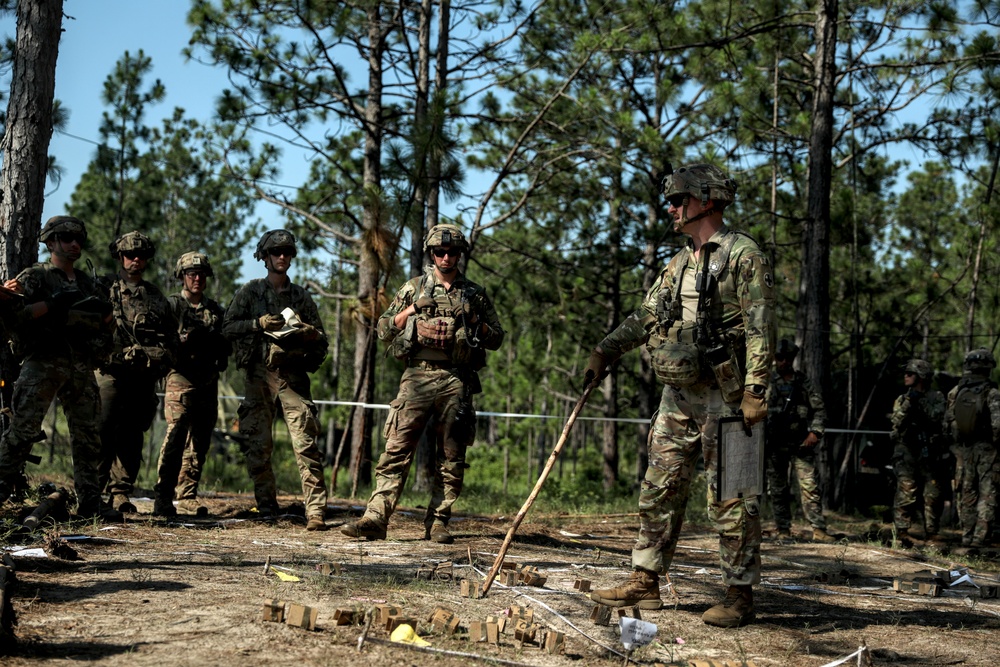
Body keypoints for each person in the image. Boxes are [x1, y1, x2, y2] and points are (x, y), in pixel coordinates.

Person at [583, 163, 775, 629]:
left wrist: (756, 390)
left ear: (706, 201)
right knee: (659, 487)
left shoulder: (742, 255)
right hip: (679, 396)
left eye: (678, 200)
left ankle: (738, 594)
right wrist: (605, 350)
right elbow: (648, 314)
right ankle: (645, 580)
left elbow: (760, 326)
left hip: (729, 396)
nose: (671, 208)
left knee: (733, 497)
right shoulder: (680, 263)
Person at [340, 224, 505, 544]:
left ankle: (439, 520)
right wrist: (413, 309)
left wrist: (473, 320)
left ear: (461, 254)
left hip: (456, 378)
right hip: (417, 376)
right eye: (440, 252)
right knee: (396, 448)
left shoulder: (474, 294)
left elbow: (497, 338)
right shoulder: (413, 288)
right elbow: (384, 328)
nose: (446, 257)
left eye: (453, 252)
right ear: (431, 253)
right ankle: (375, 517)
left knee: (452, 453)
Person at [0, 216, 119, 520]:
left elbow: (104, 330)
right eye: (66, 238)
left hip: (80, 365)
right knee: (23, 431)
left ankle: (91, 502)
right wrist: (52, 304)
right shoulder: (35, 278)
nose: (75, 243)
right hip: (42, 363)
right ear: (50, 242)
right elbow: (14, 319)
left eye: (79, 239)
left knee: (88, 437)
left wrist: (106, 318)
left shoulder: (87, 283)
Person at [223, 229, 329, 531]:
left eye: (287, 252)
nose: (282, 257)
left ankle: (316, 512)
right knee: (259, 444)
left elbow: (322, 339)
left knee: (306, 444)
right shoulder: (250, 292)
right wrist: (257, 324)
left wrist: (308, 334)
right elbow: (227, 327)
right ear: (265, 257)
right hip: (259, 376)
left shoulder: (301, 297)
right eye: (276, 252)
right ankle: (267, 507)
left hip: (293, 377)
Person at [98, 231, 179, 514]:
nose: (135, 260)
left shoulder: (156, 298)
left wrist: (153, 356)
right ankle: (92, 491)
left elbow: (171, 341)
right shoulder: (103, 289)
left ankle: (120, 492)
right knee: (102, 429)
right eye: (130, 255)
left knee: (132, 435)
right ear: (120, 257)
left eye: (141, 256)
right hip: (108, 372)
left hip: (142, 378)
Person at [151, 252, 230, 517]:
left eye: (201, 274)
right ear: (182, 277)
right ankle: (163, 496)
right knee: (175, 437)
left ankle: (187, 495)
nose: (197, 278)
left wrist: (218, 346)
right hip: (180, 378)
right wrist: (181, 342)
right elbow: (158, 338)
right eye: (191, 274)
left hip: (208, 380)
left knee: (200, 441)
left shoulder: (216, 310)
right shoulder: (172, 306)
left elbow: (226, 341)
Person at [765, 338, 835, 542]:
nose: (784, 361)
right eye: (780, 357)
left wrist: (815, 432)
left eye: (788, 358)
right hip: (775, 445)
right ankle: (783, 529)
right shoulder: (767, 382)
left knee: (809, 486)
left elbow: (820, 410)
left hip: (800, 443)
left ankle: (819, 529)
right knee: (778, 488)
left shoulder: (803, 382)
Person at [945, 348, 1000, 548]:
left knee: (967, 492)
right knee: (987, 493)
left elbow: (948, 423)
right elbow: (998, 425)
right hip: (988, 450)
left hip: (964, 450)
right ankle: (979, 539)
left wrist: (957, 446)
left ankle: (966, 536)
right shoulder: (992, 393)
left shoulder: (956, 392)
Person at [888, 358, 947, 546]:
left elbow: (937, 417)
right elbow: (897, 422)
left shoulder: (936, 397)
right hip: (906, 451)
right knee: (906, 489)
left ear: (921, 376)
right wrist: (909, 403)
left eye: (910, 373)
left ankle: (932, 532)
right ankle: (902, 531)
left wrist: (920, 402)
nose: (906, 377)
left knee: (933, 492)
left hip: (928, 451)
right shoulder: (902, 399)